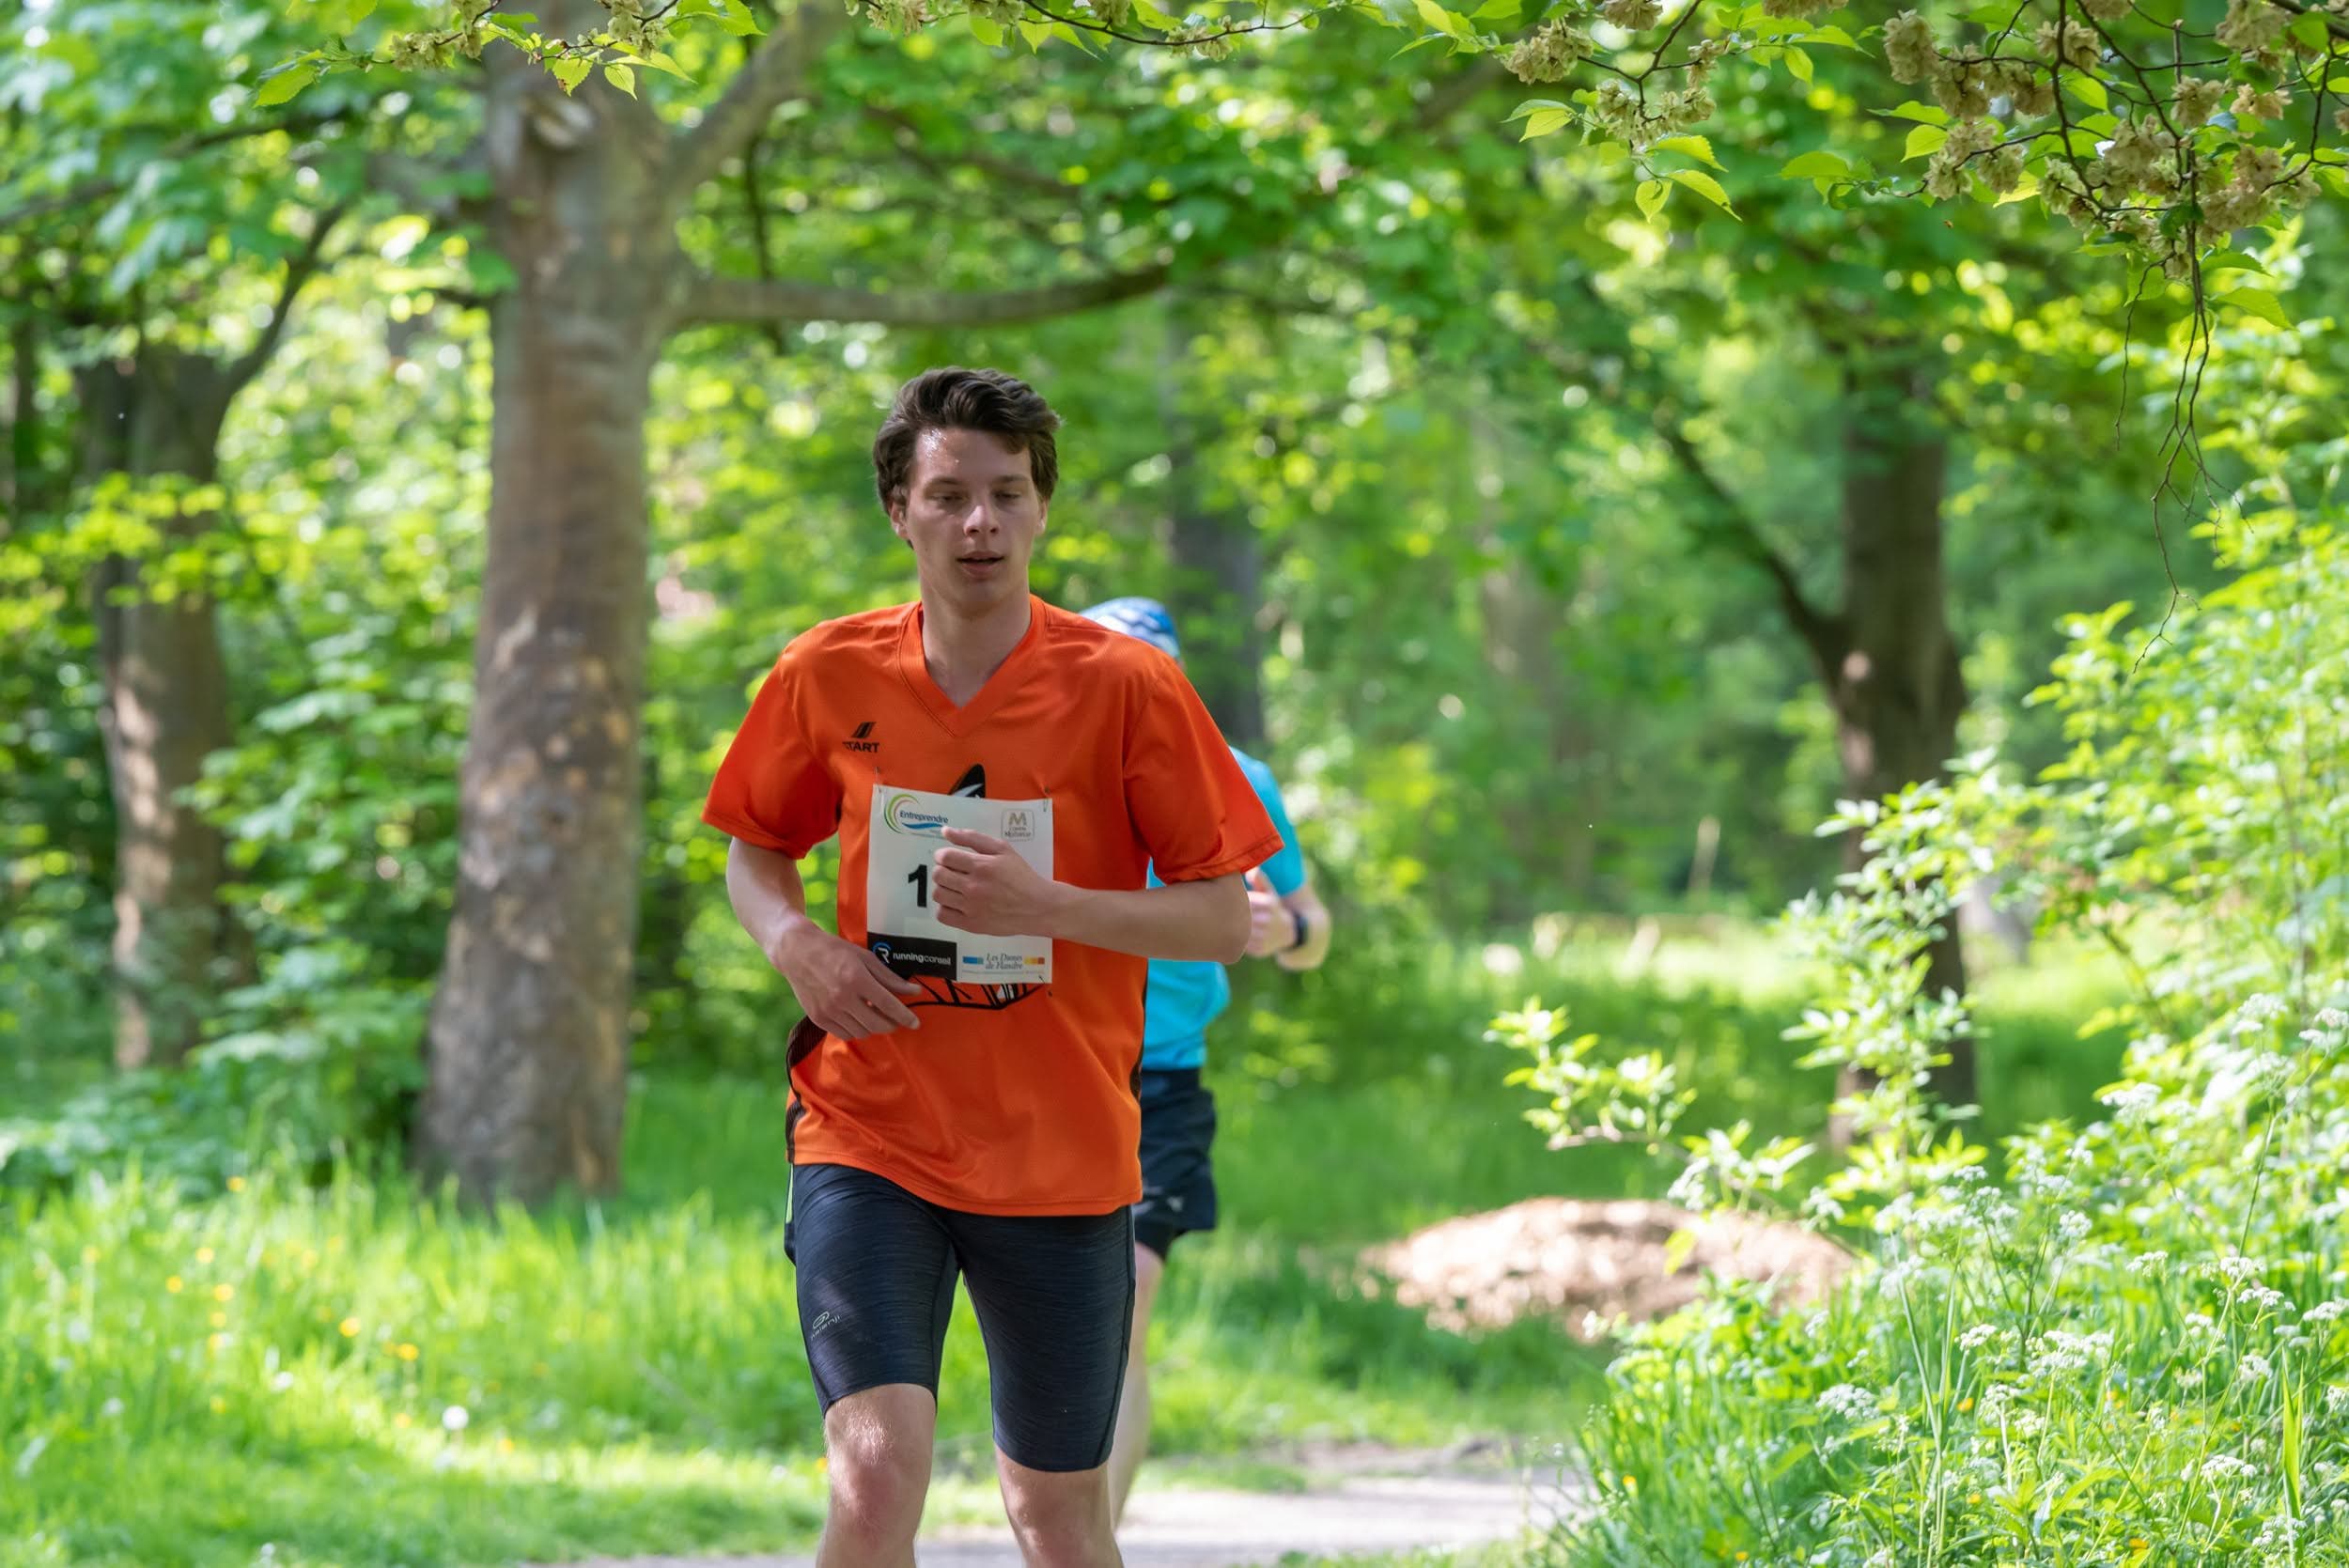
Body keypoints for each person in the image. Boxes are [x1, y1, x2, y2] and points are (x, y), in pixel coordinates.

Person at [700, 367, 1284, 1568]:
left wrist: (1050, 905)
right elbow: (755, 850)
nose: (981, 522)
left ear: (1040, 511)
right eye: (949, 495)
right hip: (870, 1128)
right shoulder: (830, 671)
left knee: (1057, 1516)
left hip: (1060, 1149)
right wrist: (796, 941)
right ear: (900, 512)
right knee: (872, 1478)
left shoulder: (1128, 686)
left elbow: (1223, 918)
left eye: (1007, 495)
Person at [1078, 598, 1334, 1522]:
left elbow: (1312, 929)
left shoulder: (1238, 778)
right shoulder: (1048, 768)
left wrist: (1278, 929)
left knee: (1126, 1295)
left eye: (1153, 675)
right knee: (1057, 1318)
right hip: (1052, 1070)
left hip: (1163, 1079)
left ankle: (1086, 1541)